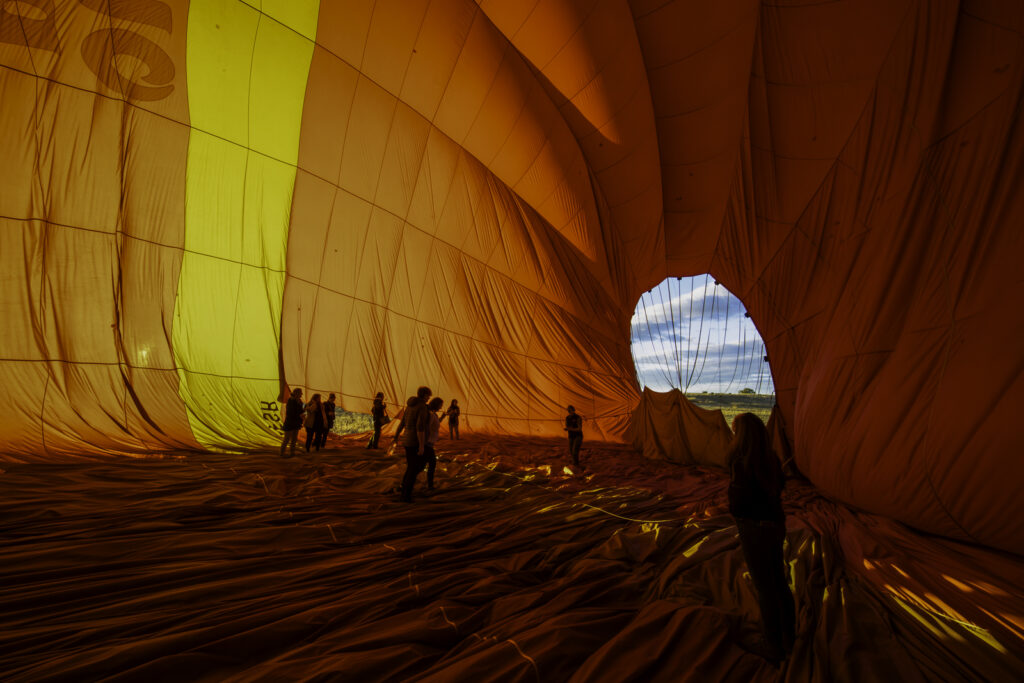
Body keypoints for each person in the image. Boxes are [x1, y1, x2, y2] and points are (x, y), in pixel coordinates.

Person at [727, 412, 795, 661]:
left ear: (741, 435)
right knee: (779, 581)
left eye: (735, 431)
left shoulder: (740, 464)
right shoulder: (772, 459)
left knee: (764, 587)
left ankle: (773, 645)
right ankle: (790, 635)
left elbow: (738, 506)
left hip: (753, 530)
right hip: (776, 526)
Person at [396, 386, 431, 502]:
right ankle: (406, 495)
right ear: (424, 395)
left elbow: (402, 423)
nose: (429, 398)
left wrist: (396, 436)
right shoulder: (421, 407)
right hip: (414, 441)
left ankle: (403, 487)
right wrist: (421, 445)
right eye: (428, 396)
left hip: (406, 440)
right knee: (416, 467)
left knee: (411, 466)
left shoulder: (409, 406)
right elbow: (420, 427)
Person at [424, 397, 444, 490]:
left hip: (429, 444)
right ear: (436, 405)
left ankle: (429, 484)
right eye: (440, 405)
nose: (441, 407)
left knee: (422, 465)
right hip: (427, 444)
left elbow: (436, 423)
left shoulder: (434, 414)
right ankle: (430, 485)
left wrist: (443, 416)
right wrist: (424, 442)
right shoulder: (431, 415)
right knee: (432, 464)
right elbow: (427, 428)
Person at [280, 388, 303, 457]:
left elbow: (300, 410)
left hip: (296, 422)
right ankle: (282, 453)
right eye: (300, 393)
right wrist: (300, 414)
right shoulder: (290, 400)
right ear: (296, 393)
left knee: (294, 439)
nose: (301, 394)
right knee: (287, 439)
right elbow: (290, 412)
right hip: (290, 422)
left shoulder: (299, 401)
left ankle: (292, 452)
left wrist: (303, 412)